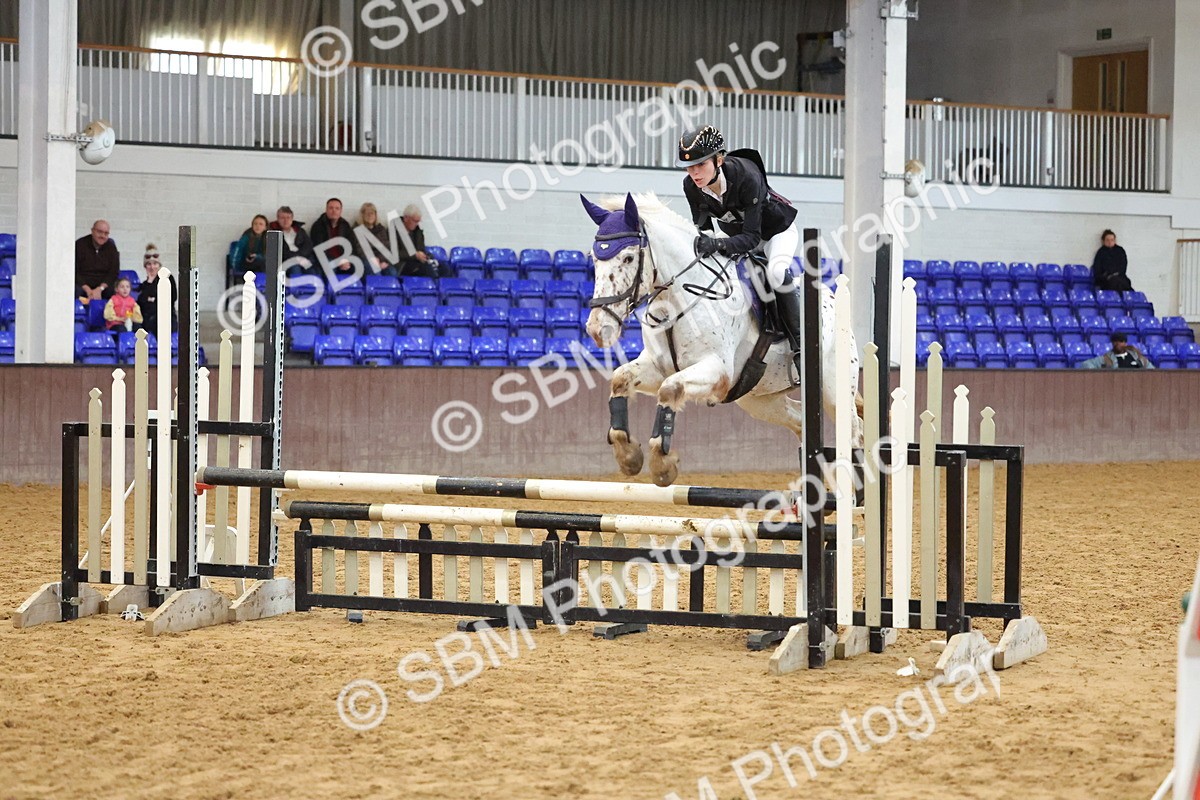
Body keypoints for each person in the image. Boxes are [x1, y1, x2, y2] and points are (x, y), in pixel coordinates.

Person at [677, 125, 802, 347]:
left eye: (701, 164)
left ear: (719, 160)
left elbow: (753, 239)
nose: (694, 173)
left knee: (775, 272)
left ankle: (800, 345)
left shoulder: (747, 176)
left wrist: (717, 243)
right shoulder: (690, 186)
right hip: (737, 239)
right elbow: (704, 230)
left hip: (775, 233)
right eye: (689, 167)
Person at [75, 219, 120, 304]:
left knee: (116, 292)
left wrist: (100, 289)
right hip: (82, 285)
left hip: (103, 286)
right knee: (75, 291)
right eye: (100, 232)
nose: (103, 236)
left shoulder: (111, 247)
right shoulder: (80, 245)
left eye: (106, 233)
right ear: (92, 231)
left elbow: (113, 272)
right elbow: (74, 270)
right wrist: (87, 289)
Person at [309, 197, 355, 275]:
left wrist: (346, 259)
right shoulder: (318, 225)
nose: (334, 211)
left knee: (356, 267)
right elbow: (318, 248)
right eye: (331, 208)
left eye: (337, 208)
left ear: (341, 211)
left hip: (342, 259)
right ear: (326, 210)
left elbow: (351, 245)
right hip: (325, 259)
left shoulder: (345, 225)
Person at [137, 244, 177, 333]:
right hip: (148, 320)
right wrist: (150, 282)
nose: (152, 267)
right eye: (149, 264)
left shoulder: (167, 278)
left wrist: (152, 299)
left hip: (165, 318)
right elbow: (142, 303)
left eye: (155, 264)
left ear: (159, 265)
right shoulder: (144, 285)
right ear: (145, 267)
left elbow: (172, 298)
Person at [268, 206, 315, 275]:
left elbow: (308, 246)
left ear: (292, 219)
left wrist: (300, 257)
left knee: (312, 270)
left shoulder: (300, 231)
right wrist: (296, 258)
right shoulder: (274, 233)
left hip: (303, 257)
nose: (285, 220)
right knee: (295, 268)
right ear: (278, 219)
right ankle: (296, 285)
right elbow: (279, 251)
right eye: (282, 218)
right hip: (286, 260)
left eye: (288, 217)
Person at [395, 204, 439, 279]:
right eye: (415, 221)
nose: (417, 224)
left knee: (444, 268)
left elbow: (421, 249)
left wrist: (426, 256)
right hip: (403, 264)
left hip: (418, 262)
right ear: (406, 218)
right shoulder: (394, 231)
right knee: (427, 269)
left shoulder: (418, 232)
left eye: (418, 221)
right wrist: (415, 255)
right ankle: (436, 288)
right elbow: (394, 253)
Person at [353, 202, 395, 277]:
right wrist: (373, 259)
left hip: (381, 260)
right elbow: (360, 249)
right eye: (367, 213)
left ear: (375, 215)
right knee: (374, 270)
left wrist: (383, 261)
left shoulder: (381, 229)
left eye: (372, 213)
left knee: (392, 272)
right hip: (365, 260)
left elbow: (386, 247)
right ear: (362, 215)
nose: (370, 216)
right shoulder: (357, 229)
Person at [1081, 333, 1155, 369]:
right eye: (1115, 341)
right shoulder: (1106, 358)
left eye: (1120, 341)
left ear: (1125, 343)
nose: (1117, 344)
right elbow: (1086, 364)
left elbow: (1151, 369)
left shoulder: (1136, 356)